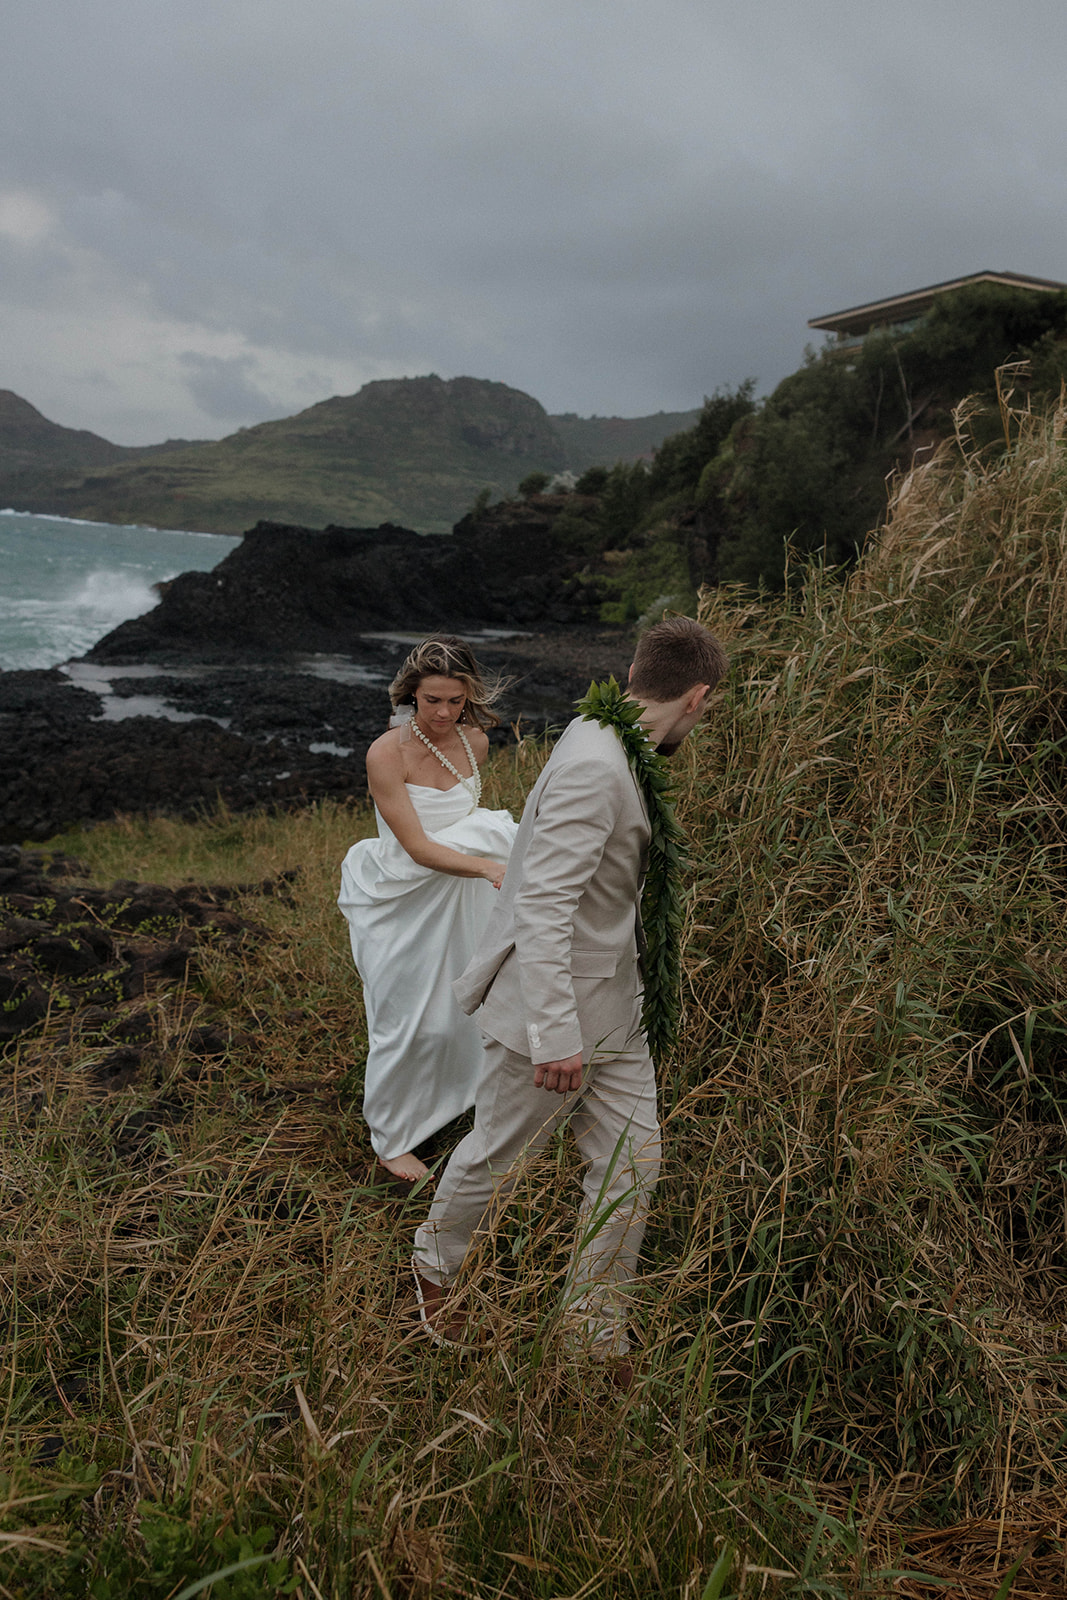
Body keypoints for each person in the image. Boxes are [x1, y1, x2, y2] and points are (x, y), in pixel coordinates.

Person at [411, 615, 728, 1365]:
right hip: (553, 1017)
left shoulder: (606, 732)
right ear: (696, 696)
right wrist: (556, 1034)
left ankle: (592, 1330)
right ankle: (433, 1269)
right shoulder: (596, 763)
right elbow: (544, 904)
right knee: (497, 1154)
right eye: (707, 708)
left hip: (618, 1009)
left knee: (632, 1165)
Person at [338, 636, 519, 1186]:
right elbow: (416, 847)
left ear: (468, 697)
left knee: (463, 1006)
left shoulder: (476, 743)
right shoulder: (385, 753)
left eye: (454, 701)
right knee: (404, 1019)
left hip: (459, 892)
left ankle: (458, 1099)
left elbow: (467, 817)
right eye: (431, 700)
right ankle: (391, 1139)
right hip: (405, 894)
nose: (443, 713)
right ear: (409, 695)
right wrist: (490, 868)